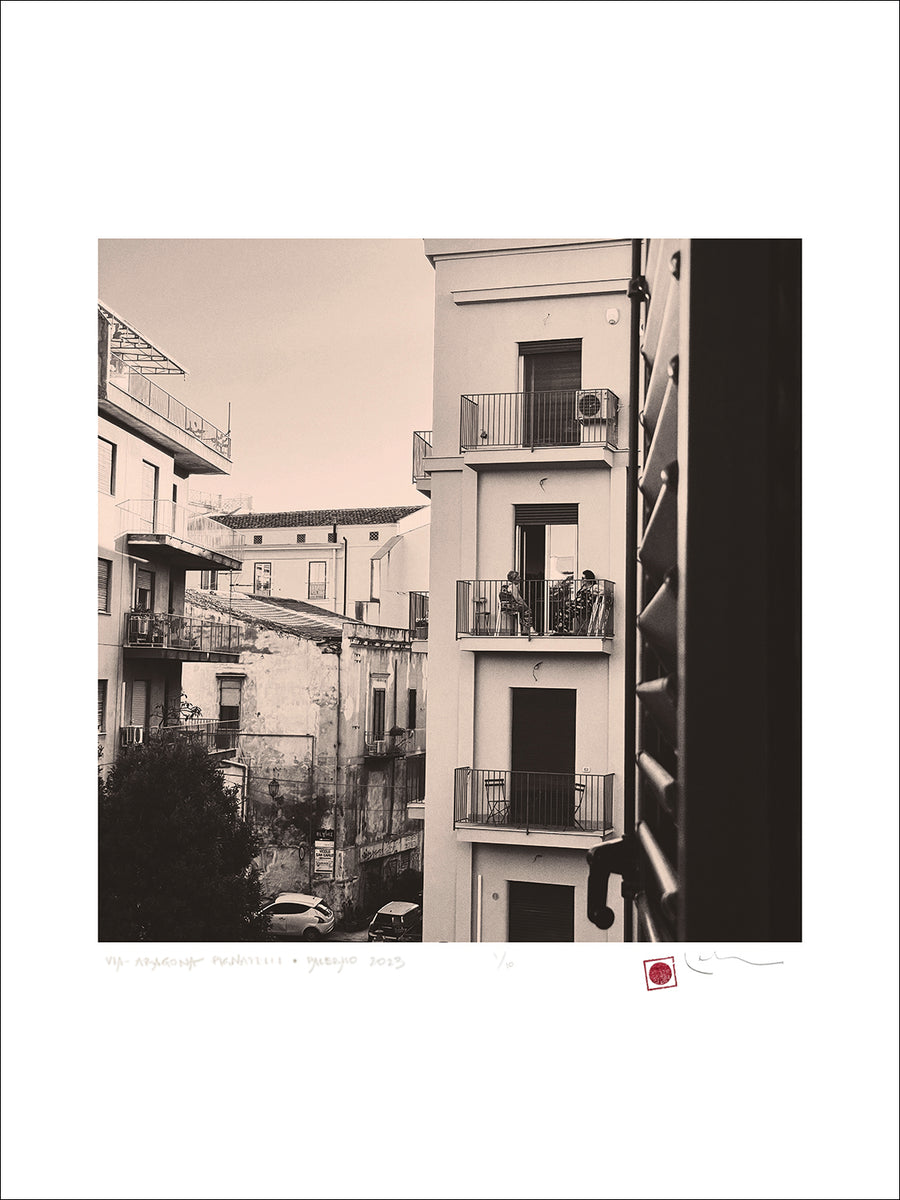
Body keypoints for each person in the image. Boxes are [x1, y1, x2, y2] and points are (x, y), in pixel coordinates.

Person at [500, 569, 533, 638]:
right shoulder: (512, 586)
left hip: (506, 605)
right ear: (513, 579)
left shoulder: (509, 585)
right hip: (510, 606)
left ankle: (525, 629)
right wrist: (525, 604)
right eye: (518, 577)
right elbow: (517, 598)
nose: (520, 578)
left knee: (522, 611)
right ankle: (529, 629)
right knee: (527, 610)